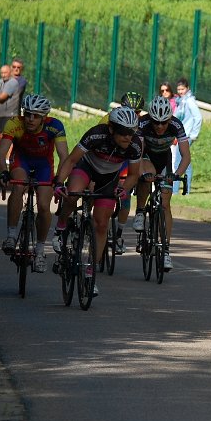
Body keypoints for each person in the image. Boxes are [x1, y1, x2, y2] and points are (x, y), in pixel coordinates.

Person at [52, 106, 143, 297]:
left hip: (109, 179)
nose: (128, 137)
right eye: (123, 132)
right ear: (111, 129)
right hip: (86, 168)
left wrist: (123, 189)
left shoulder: (135, 144)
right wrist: (59, 183)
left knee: (101, 224)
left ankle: (90, 273)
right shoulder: (96, 134)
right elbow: (71, 160)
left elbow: (134, 175)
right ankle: (61, 226)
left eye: (132, 132)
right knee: (73, 193)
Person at [0, 95, 69, 273]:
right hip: (22, 161)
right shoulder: (14, 123)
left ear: (44, 117)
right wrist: (3, 172)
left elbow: (64, 156)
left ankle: (40, 250)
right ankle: (12, 235)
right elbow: (1, 153)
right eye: (27, 114)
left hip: (44, 165)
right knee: (19, 186)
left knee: (43, 206)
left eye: (36, 116)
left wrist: (59, 180)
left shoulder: (55, 126)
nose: (30, 119)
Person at [132, 96, 191, 271]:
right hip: (145, 156)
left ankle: (165, 251)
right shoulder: (142, 124)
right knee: (147, 177)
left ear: (169, 119)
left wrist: (176, 175)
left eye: (164, 122)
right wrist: (142, 174)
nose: (159, 126)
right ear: (150, 118)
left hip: (164, 159)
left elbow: (186, 157)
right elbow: (137, 154)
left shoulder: (176, 125)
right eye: (156, 122)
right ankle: (140, 211)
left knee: (165, 205)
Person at [98, 91, 146, 254]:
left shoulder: (140, 124)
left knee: (125, 196)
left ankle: (118, 235)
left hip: (127, 159)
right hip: (108, 157)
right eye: (130, 110)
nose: (133, 115)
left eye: (137, 112)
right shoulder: (108, 119)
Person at [172, 78, 201, 194]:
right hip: (181, 135)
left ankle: (175, 190)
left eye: (182, 89)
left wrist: (193, 135)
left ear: (187, 88)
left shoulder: (189, 101)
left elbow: (198, 117)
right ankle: (185, 190)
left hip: (186, 136)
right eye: (178, 89)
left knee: (179, 163)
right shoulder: (181, 101)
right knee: (185, 163)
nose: (180, 91)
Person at [0, 64, 21, 146]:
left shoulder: (12, 82)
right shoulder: (2, 82)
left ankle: (8, 154)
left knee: (7, 139)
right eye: (2, 73)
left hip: (10, 116)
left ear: (10, 72)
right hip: (2, 115)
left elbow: (1, 98)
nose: (3, 75)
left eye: (5, 73)